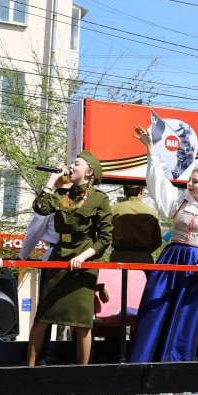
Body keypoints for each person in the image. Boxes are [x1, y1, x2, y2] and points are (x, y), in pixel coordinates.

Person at [129, 125, 198, 363]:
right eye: (190, 180)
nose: (190, 184)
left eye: (196, 182)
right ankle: (144, 356)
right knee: (155, 303)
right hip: (171, 257)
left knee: (183, 312)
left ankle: (173, 360)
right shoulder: (180, 200)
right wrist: (150, 149)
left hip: (193, 263)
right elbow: (158, 183)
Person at [26, 152, 113, 366]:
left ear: (89, 172)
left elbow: (105, 238)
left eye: (76, 163)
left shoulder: (100, 199)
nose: (71, 166)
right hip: (59, 257)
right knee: (43, 317)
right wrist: (51, 180)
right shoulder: (62, 193)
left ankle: (83, 373)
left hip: (84, 260)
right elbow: (40, 207)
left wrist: (83, 257)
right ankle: (29, 368)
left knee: (82, 322)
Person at [111, 184, 164, 264]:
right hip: (143, 259)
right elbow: (158, 241)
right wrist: (144, 252)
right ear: (141, 191)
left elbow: (106, 234)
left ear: (124, 191)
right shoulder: (152, 212)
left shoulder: (114, 209)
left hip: (119, 258)